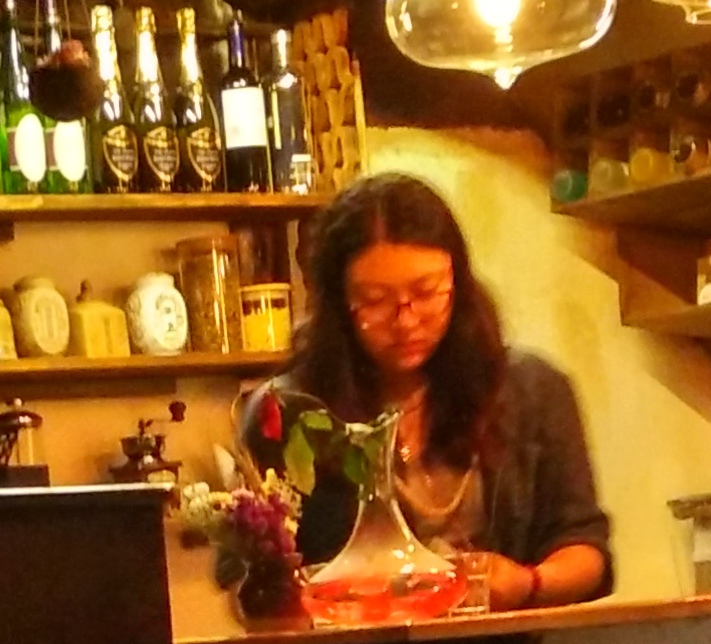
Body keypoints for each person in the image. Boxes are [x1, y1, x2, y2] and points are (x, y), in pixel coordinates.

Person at [244, 173, 612, 611]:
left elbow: (583, 545)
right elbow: (249, 577)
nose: (406, 321)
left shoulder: (532, 389)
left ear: (459, 283)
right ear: (338, 303)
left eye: (426, 293)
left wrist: (527, 583)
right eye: (375, 300)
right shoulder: (286, 411)